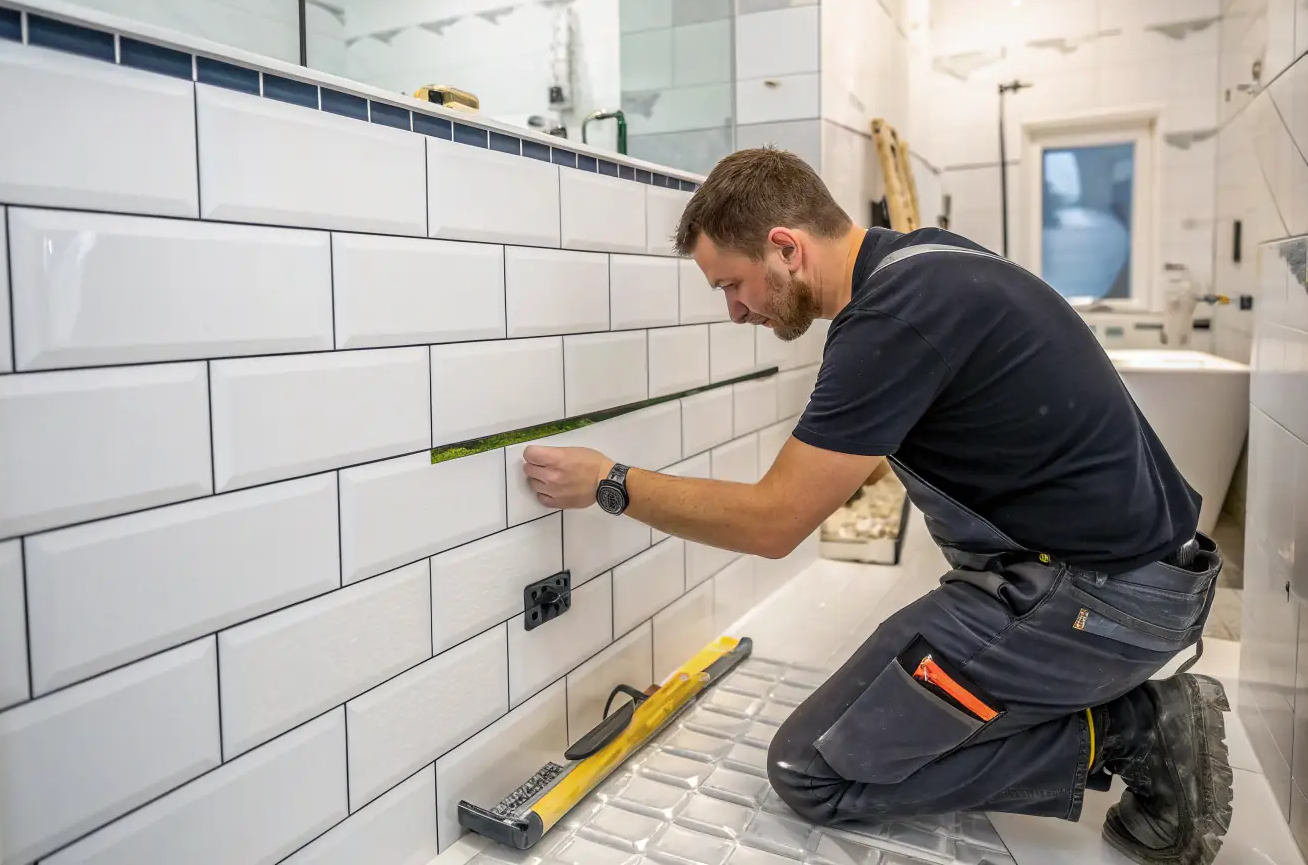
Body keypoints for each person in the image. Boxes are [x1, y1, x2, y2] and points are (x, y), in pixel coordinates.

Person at [523, 147, 1232, 865]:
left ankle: (1131, 729)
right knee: (887, 713)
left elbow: (774, 524)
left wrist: (612, 483)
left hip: (1092, 601)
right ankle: (1106, 713)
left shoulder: (894, 316)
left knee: (813, 772)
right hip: (1139, 580)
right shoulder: (924, 263)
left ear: (785, 248)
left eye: (732, 285)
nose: (735, 310)